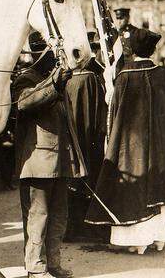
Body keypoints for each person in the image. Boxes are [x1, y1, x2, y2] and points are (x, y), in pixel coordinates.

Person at [85, 27, 165, 254]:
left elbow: (114, 111)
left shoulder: (124, 77)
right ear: (152, 50)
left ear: (133, 50)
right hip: (161, 146)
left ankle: (139, 240)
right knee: (161, 185)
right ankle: (161, 238)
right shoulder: (164, 75)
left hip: (132, 146)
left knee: (135, 186)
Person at [12, 32, 84, 278]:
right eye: (51, 52)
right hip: (37, 162)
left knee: (59, 216)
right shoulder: (26, 79)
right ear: (38, 53)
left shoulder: (53, 79)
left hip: (60, 161)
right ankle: (35, 267)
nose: (55, 58)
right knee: (38, 216)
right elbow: (24, 102)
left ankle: (53, 263)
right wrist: (54, 83)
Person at [63, 34, 108, 243]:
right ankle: (92, 228)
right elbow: (101, 112)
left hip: (72, 141)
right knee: (92, 179)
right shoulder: (91, 78)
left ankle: (72, 228)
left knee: (73, 182)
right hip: (91, 142)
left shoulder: (67, 79)